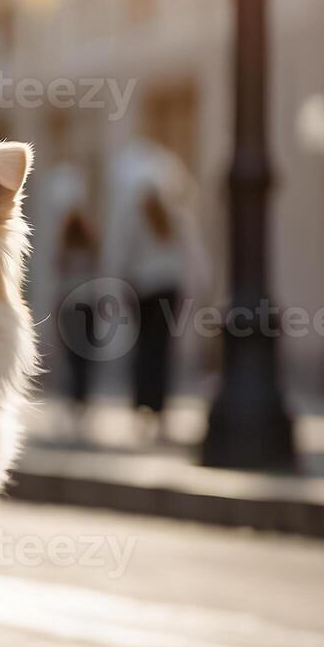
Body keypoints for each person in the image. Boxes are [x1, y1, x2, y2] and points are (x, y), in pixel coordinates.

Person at [100, 140, 211, 444]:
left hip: (141, 288)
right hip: (167, 289)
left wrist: (118, 283)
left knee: (142, 350)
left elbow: (121, 252)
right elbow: (192, 251)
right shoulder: (175, 214)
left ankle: (143, 409)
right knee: (161, 350)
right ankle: (160, 410)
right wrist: (202, 284)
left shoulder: (134, 215)